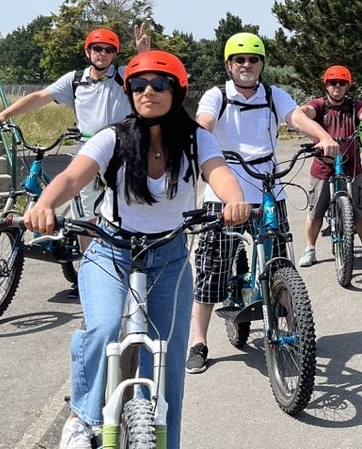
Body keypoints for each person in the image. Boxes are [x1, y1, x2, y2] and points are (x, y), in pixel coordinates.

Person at [23, 51, 251, 449]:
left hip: (169, 256)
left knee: (168, 362)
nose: (148, 92)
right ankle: (83, 418)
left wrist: (235, 200)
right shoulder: (113, 137)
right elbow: (73, 177)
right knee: (105, 327)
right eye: (139, 85)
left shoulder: (196, 139)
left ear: (177, 92)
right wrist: (44, 205)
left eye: (159, 84)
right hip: (111, 250)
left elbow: (220, 174)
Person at [186, 32, 338, 375]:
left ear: (261, 64)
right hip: (223, 192)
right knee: (212, 268)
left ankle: (298, 332)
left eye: (253, 59)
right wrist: (198, 139)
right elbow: (204, 122)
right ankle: (199, 342)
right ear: (229, 65)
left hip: (269, 190)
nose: (246, 65)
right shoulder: (216, 95)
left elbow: (296, 118)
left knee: (281, 263)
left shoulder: (273, 95)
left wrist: (323, 136)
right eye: (239, 60)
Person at [0, 26, 151, 249]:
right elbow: (40, 96)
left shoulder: (123, 76)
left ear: (115, 55)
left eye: (109, 50)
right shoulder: (75, 80)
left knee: (125, 212)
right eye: (97, 48)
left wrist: (143, 54)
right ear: (88, 51)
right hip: (88, 153)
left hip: (123, 151)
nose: (102, 54)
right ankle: (89, 264)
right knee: (85, 217)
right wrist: (3, 115)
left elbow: (146, 78)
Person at [297, 65, 362, 267]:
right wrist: (301, 114)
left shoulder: (353, 106)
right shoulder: (320, 105)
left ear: (347, 87)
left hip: (351, 165)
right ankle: (310, 249)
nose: (337, 86)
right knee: (316, 210)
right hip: (324, 166)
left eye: (342, 83)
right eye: (333, 83)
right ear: (326, 85)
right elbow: (306, 111)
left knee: (358, 208)